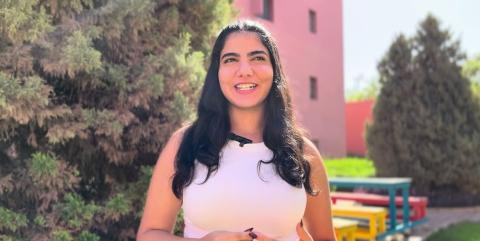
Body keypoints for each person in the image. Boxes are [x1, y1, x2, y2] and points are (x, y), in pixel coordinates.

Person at [137, 20, 337, 241]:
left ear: (274, 71)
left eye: (258, 58)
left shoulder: (303, 152)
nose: (245, 71)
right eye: (231, 60)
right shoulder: (185, 143)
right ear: (217, 73)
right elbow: (148, 235)